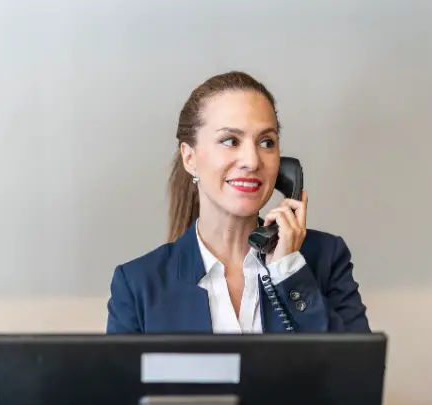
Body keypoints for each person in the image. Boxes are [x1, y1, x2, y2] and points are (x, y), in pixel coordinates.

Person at [106, 71, 370, 334]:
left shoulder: (325, 258)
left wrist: (289, 273)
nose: (252, 161)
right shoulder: (138, 284)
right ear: (190, 158)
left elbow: (361, 373)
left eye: (266, 142)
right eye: (230, 141)